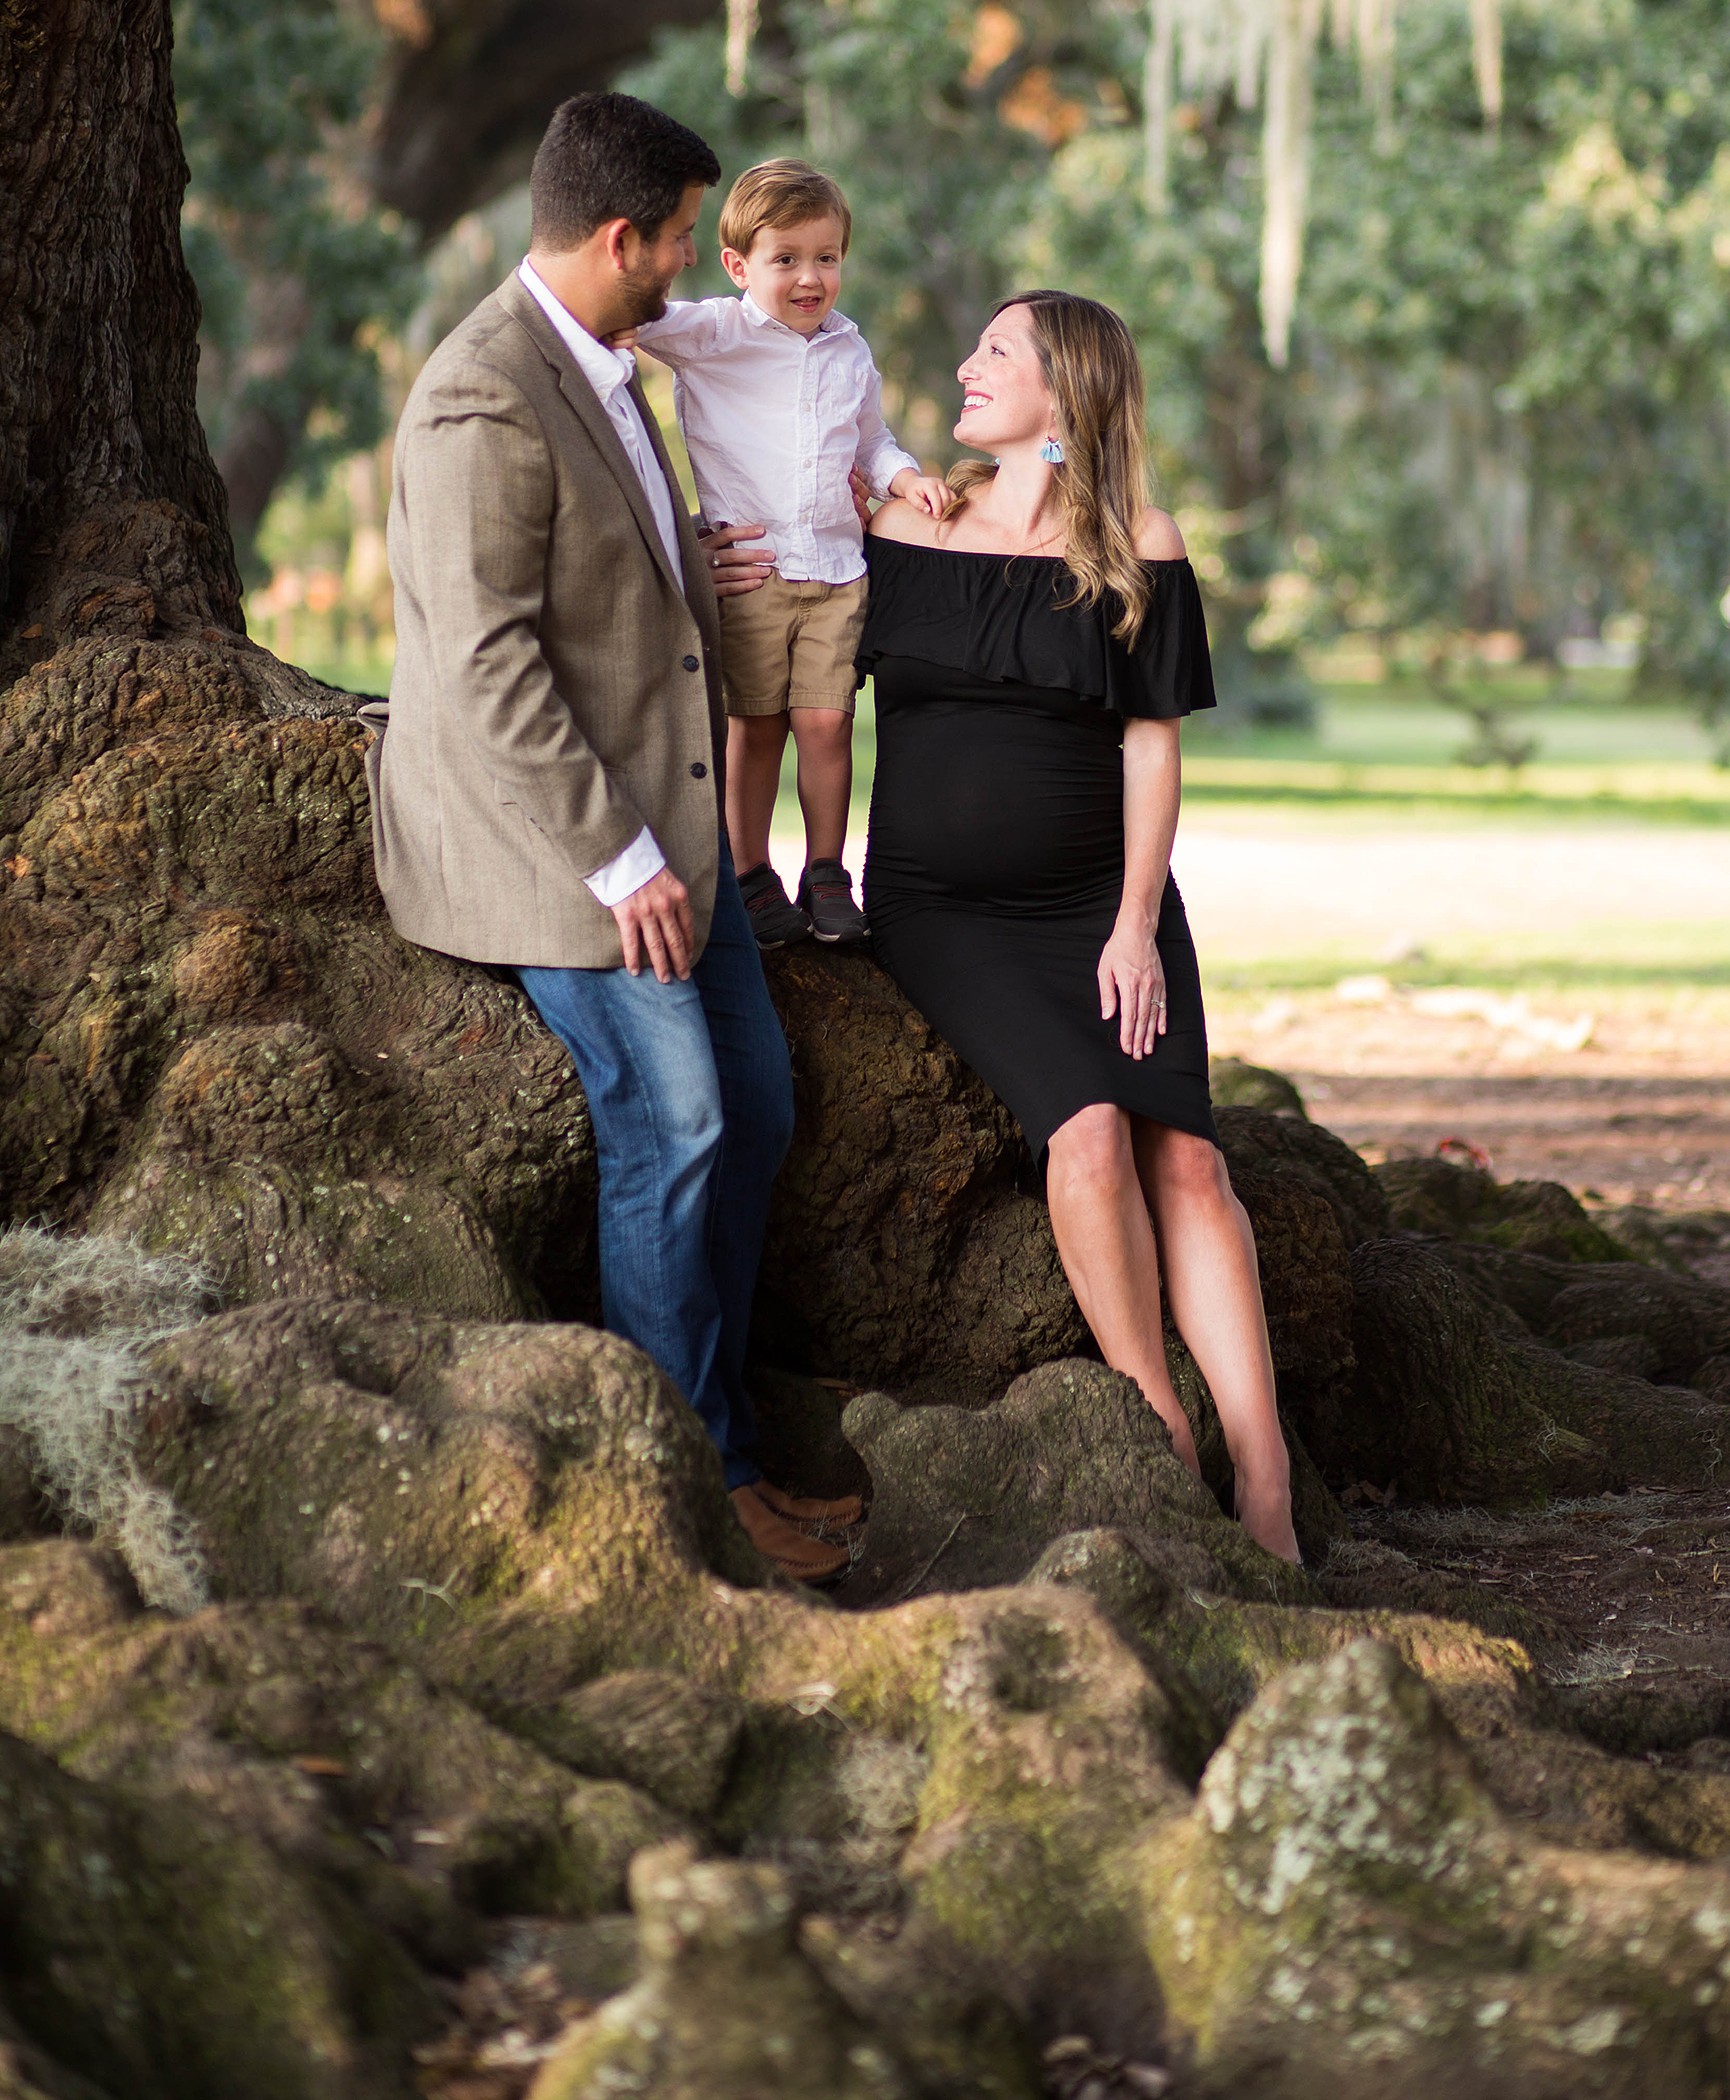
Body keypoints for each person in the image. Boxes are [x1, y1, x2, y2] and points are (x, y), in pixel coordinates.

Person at [367, 90, 855, 1585]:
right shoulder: (483, 393)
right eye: (686, 240)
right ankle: (691, 1484)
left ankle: (728, 1441)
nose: (698, 266)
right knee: (679, 1121)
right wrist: (621, 858)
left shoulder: (605, 362)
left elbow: (599, 565)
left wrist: (697, 564)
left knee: (758, 1108)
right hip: (560, 846)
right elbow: (486, 662)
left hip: (668, 819)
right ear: (620, 236)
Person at [860, 290, 1299, 1564]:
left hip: (1103, 903)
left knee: (1189, 1160)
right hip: (944, 908)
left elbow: (1149, 749)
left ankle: (1266, 1474)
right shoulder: (903, 521)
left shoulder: (1138, 544)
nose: (966, 365)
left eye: (995, 350)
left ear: (1064, 389)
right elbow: (781, 630)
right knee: (1092, 1129)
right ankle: (1158, 1425)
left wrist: (1132, 925)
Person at [634, 157, 946, 950]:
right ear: (738, 266)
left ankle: (826, 872)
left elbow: (871, 441)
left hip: (838, 572)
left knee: (827, 722)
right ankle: (749, 874)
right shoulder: (713, 332)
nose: (810, 277)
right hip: (754, 571)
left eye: (827, 257)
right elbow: (619, 316)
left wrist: (905, 479)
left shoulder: (850, 350)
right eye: (786, 259)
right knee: (757, 725)